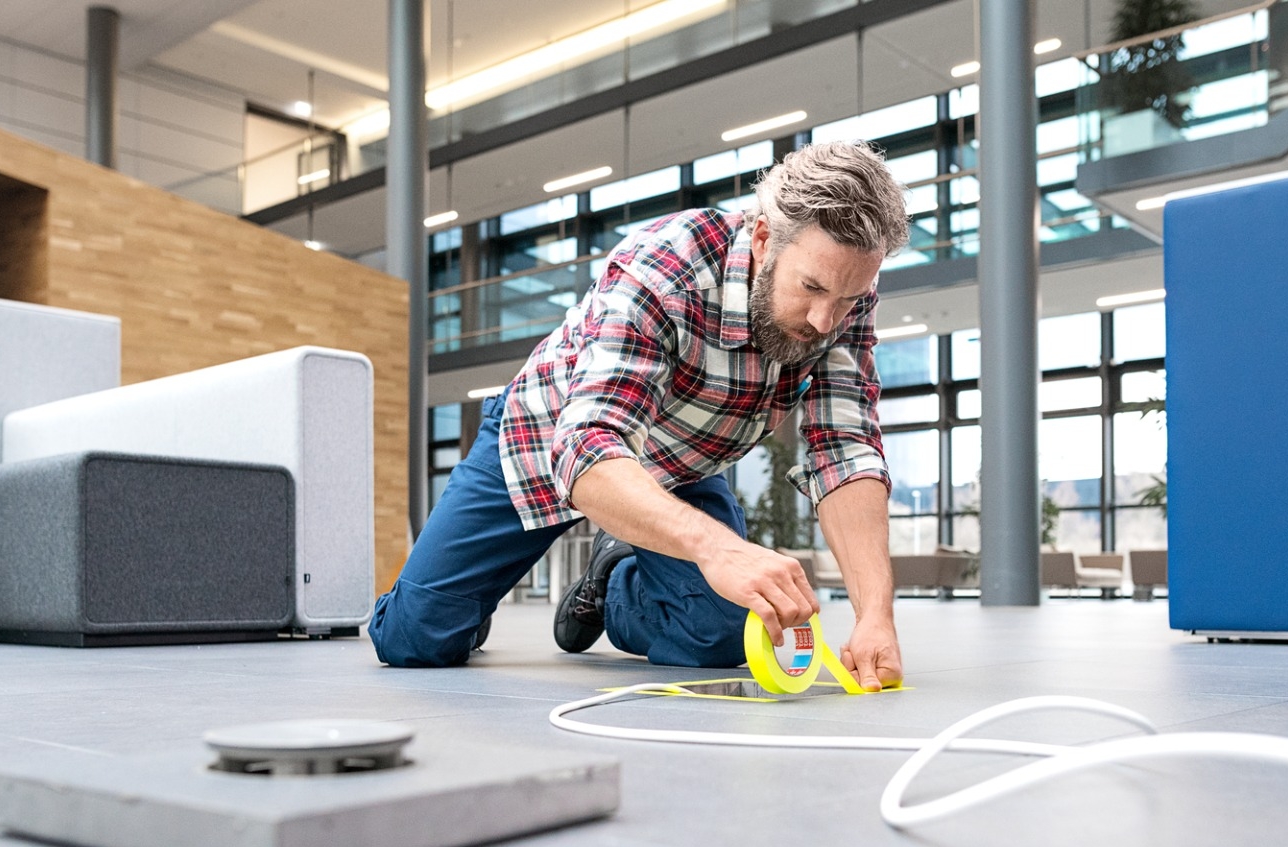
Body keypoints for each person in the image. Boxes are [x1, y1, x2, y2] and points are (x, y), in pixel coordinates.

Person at [368, 140, 909, 690]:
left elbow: (845, 451)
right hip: (549, 435)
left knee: (719, 633)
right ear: (765, 239)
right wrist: (717, 547)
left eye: (846, 299)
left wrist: (875, 616)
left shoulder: (847, 291)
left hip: (678, 465)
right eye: (811, 288)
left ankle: (611, 585)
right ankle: (454, 599)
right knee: (416, 640)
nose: (825, 320)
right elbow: (588, 446)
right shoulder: (664, 267)